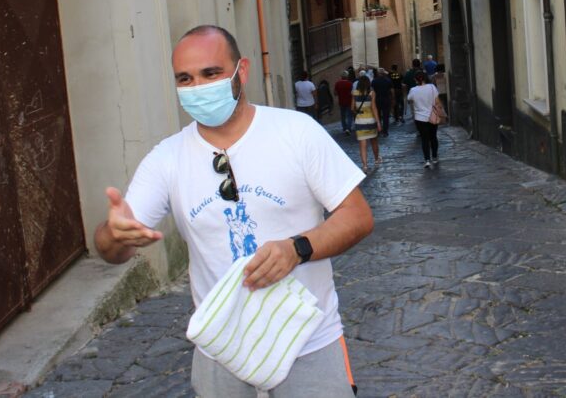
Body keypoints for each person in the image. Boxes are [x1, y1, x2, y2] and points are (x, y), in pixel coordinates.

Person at [94, 25, 373, 397]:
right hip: (220, 353)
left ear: (241, 71)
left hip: (309, 343)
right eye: (185, 79)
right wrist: (114, 235)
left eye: (211, 74)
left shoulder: (297, 132)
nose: (198, 87)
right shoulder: (166, 159)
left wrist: (297, 249)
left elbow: (357, 215)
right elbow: (112, 250)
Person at [406, 72, 440, 168]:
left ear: (416, 80)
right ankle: (434, 157)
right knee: (433, 137)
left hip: (420, 118)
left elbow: (409, 100)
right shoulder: (432, 87)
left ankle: (427, 160)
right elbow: (437, 100)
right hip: (432, 115)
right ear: (425, 78)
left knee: (424, 139)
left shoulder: (413, 90)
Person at [352, 74, 381, 172]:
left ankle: (364, 165)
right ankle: (376, 159)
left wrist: (358, 113)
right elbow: (374, 108)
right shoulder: (371, 93)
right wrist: (378, 122)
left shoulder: (354, 93)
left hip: (360, 122)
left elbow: (352, 108)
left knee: (362, 145)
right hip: (370, 120)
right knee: (374, 141)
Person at [371, 68, 394, 137]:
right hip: (386, 99)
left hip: (377, 99)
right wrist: (393, 98)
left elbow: (372, 91)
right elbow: (392, 90)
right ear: (383, 73)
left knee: (377, 115)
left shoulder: (374, 81)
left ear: (378, 73)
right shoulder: (388, 80)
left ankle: (378, 130)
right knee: (386, 116)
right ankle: (385, 131)